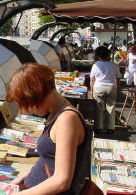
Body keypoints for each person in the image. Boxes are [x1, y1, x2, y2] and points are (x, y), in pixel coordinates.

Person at [6, 63, 88, 194]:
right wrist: (27, 177)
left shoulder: (66, 120)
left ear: (37, 94)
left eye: (27, 104)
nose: (27, 110)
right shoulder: (56, 113)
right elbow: (51, 161)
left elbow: (62, 181)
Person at [90, 46, 121, 134]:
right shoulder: (114, 65)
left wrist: (91, 90)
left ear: (99, 56)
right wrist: (118, 88)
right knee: (110, 108)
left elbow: (92, 79)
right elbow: (118, 78)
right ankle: (110, 128)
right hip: (111, 87)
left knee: (99, 108)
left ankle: (98, 127)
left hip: (98, 87)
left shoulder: (96, 65)